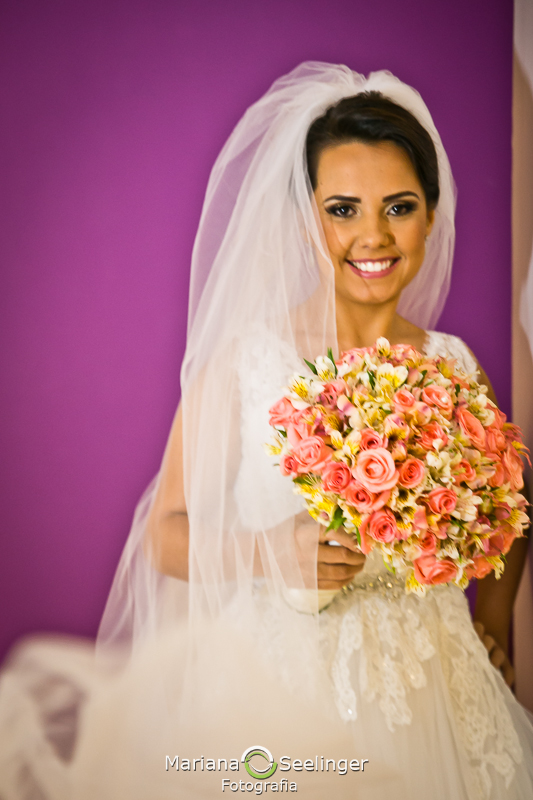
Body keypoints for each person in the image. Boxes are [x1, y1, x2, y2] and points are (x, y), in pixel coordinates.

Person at [0, 61, 532, 800]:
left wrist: (494, 625)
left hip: (441, 690)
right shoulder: (246, 363)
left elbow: (506, 509)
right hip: (288, 697)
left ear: (430, 217)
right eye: (342, 208)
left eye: (399, 206)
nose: (372, 235)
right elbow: (165, 534)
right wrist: (270, 551)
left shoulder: (454, 365)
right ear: (305, 220)